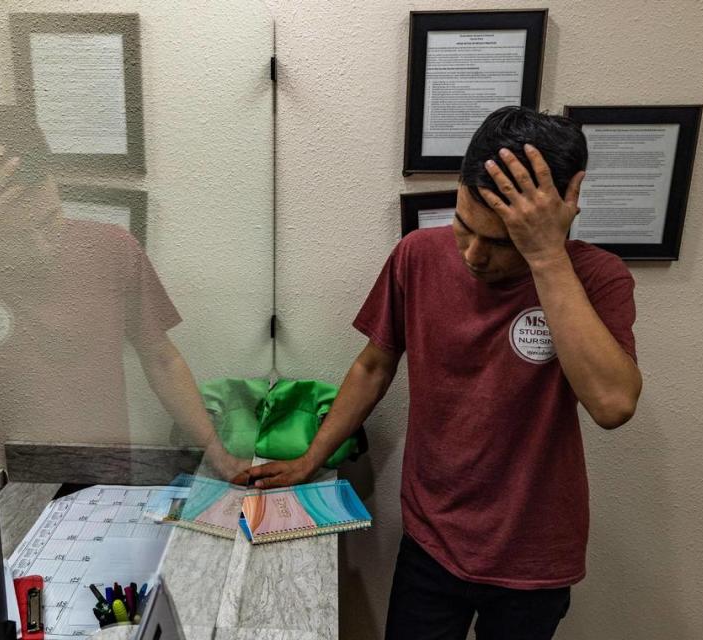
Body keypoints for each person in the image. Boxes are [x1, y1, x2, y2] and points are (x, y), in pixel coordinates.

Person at [238, 106, 642, 639]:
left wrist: (545, 258)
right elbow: (373, 365)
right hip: (432, 538)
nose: (474, 254)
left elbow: (613, 405)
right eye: (462, 226)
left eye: (501, 243)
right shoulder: (417, 256)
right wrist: (312, 458)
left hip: (533, 555)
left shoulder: (596, 278)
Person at [0, 108, 246, 479]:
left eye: (49, 220)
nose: (41, 245)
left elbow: (162, 360)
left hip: (99, 470)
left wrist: (217, 451)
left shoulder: (112, 248)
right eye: (14, 234)